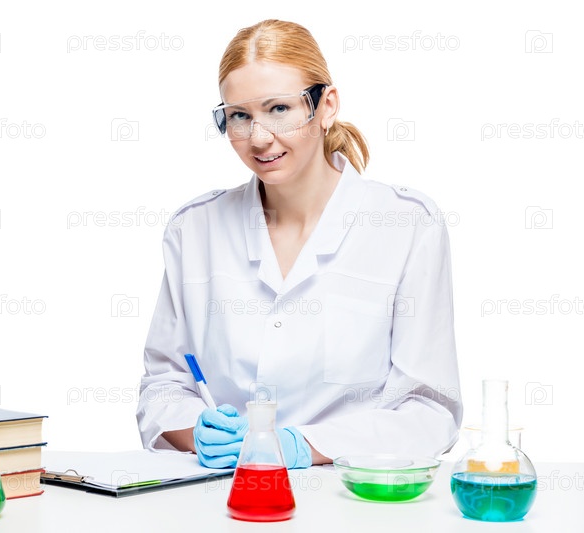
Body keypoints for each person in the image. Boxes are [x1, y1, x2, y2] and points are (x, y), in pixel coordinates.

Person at [136, 19, 462, 469]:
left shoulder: (406, 225)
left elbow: (429, 411)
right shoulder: (195, 229)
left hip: (346, 493)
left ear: (326, 105)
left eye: (279, 109)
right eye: (239, 115)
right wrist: (199, 432)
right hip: (222, 491)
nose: (258, 138)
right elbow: (163, 387)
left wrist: (300, 445)